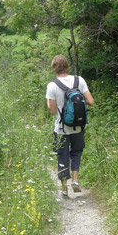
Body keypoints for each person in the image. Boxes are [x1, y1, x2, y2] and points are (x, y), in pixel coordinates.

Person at [46, 55, 94, 199]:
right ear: (67, 66)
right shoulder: (79, 80)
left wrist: (50, 103)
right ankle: (75, 180)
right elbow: (91, 101)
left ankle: (64, 189)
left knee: (63, 156)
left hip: (61, 129)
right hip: (78, 126)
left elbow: (53, 111)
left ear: (54, 68)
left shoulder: (52, 85)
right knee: (76, 153)